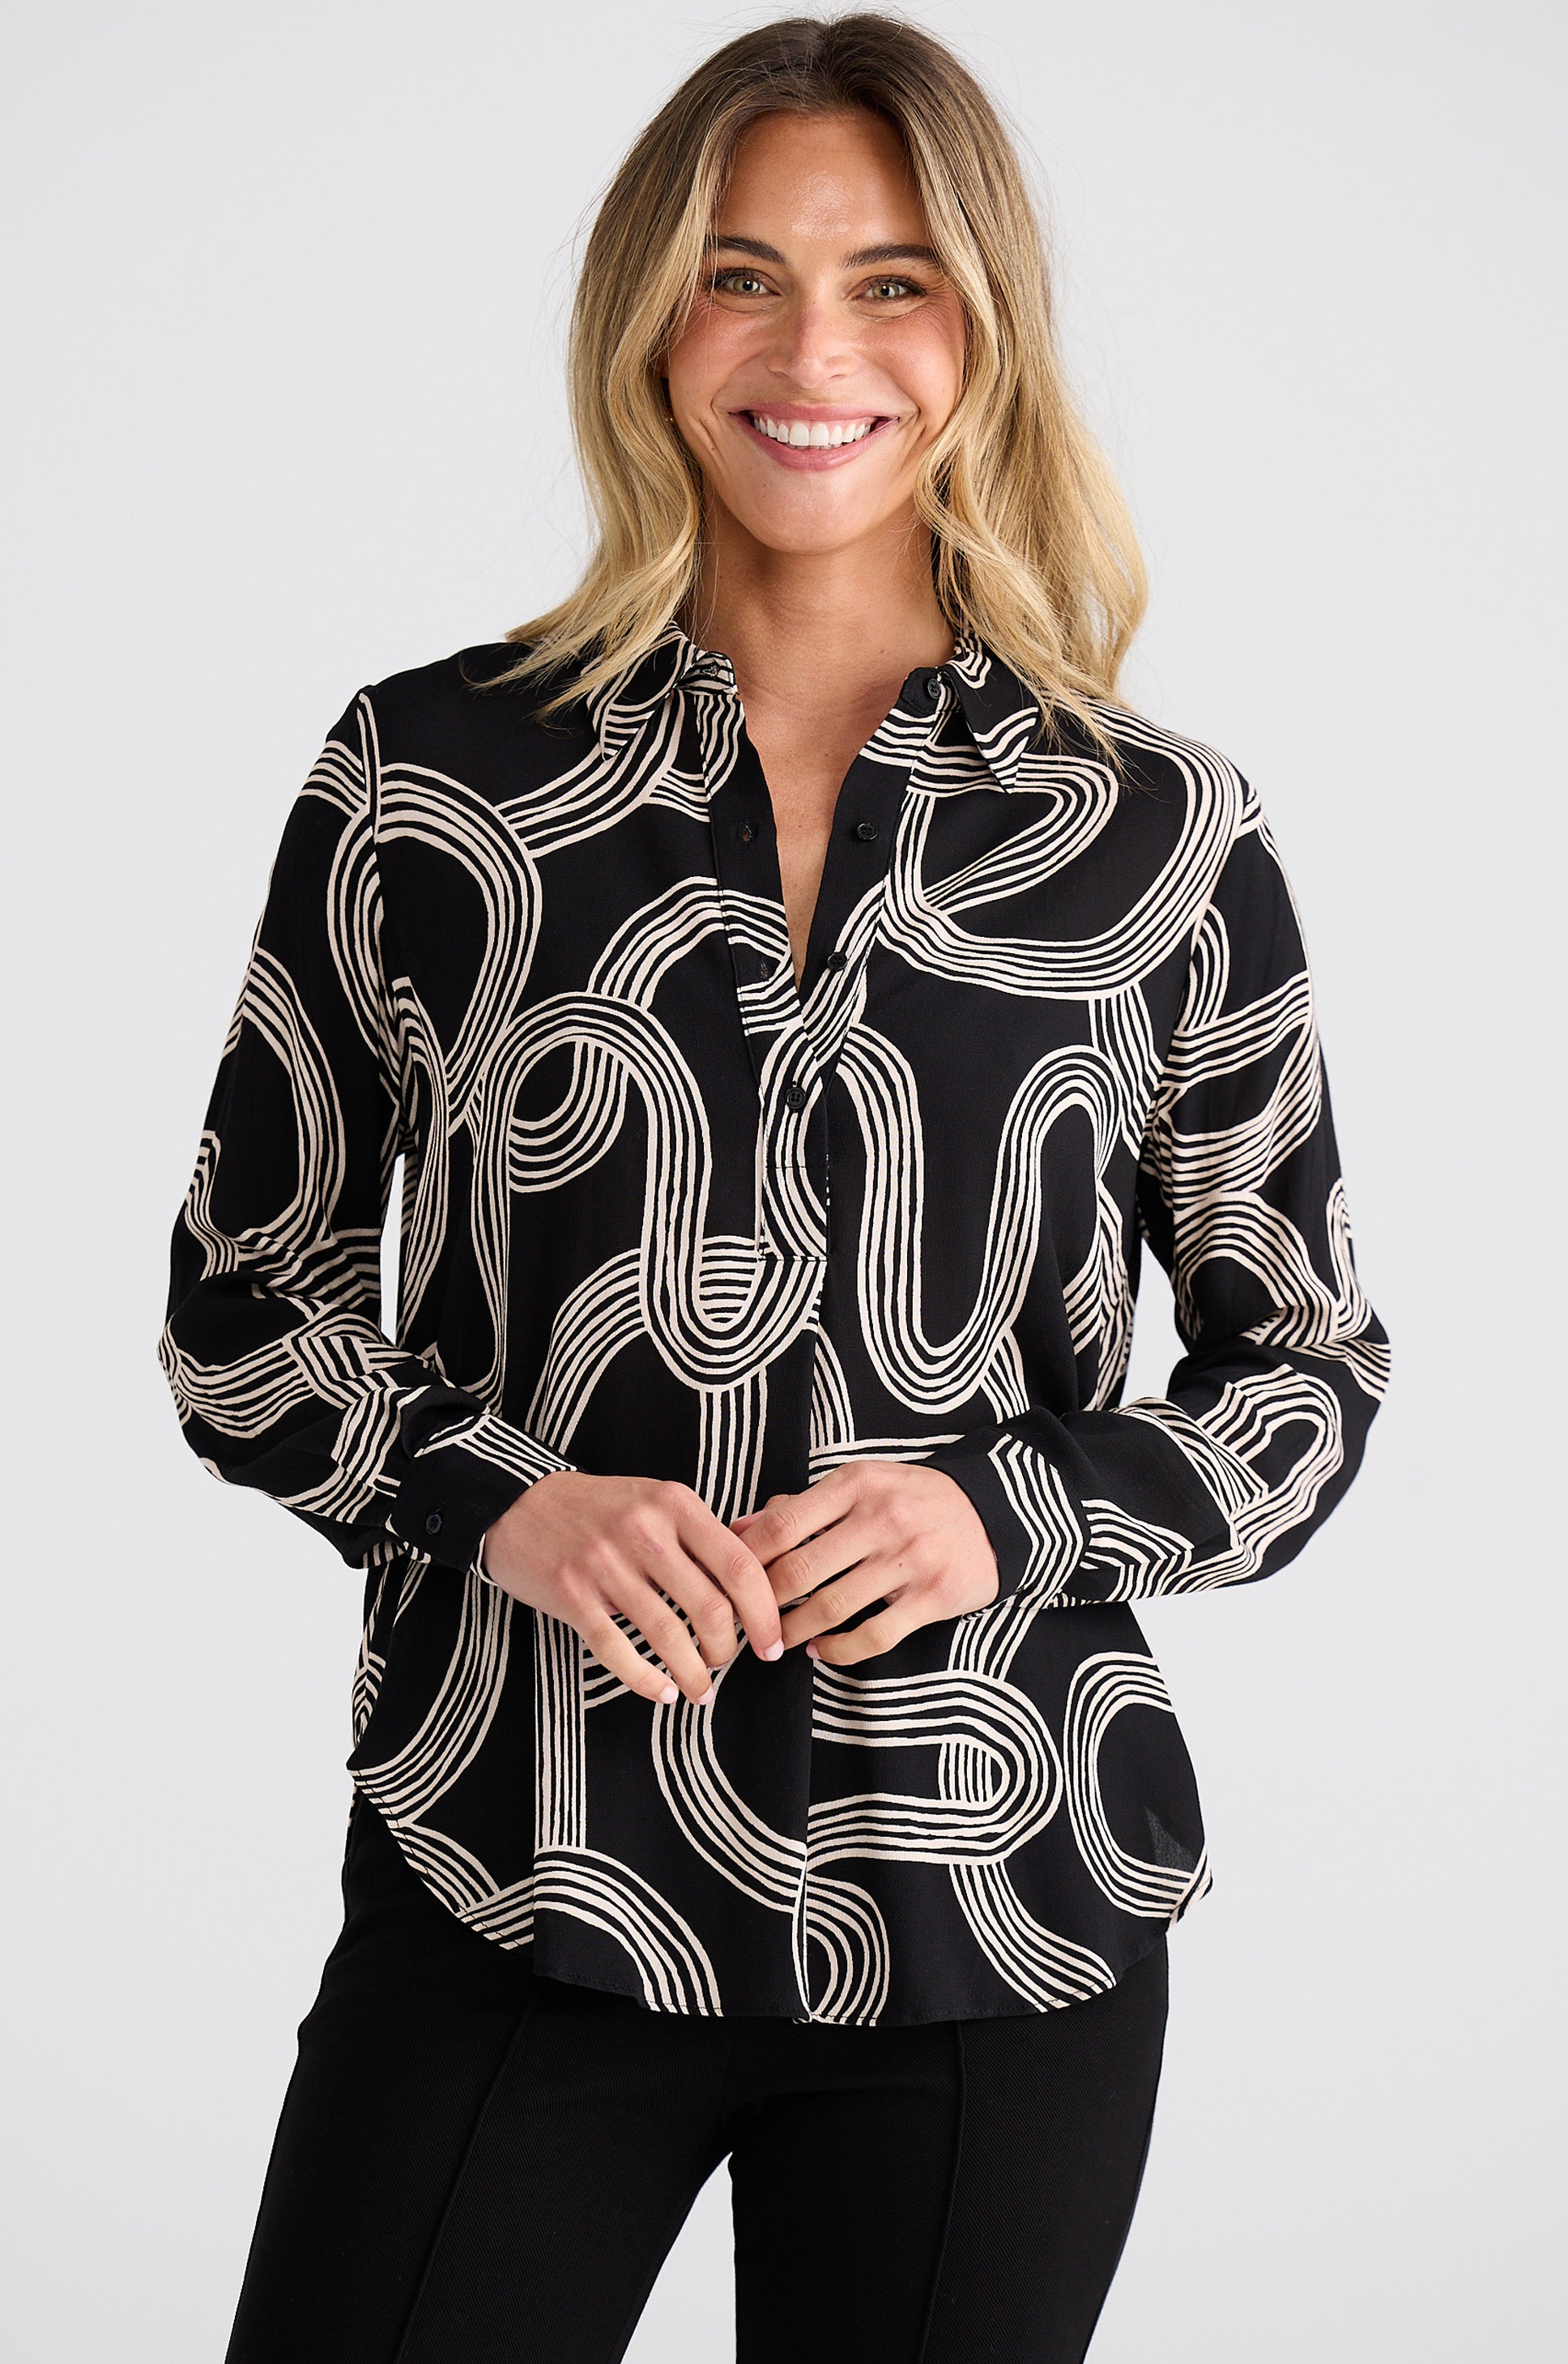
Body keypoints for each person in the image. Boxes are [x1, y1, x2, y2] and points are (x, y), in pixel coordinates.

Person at [159, 15, 1390, 2361]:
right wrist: (503, 1495)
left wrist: (1002, 1515)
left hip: (1000, 1906)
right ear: (648, 315)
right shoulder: (433, 776)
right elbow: (243, 1303)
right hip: (516, 1863)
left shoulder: (1158, 830)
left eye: (891, 281)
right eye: (742, 275)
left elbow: (1303, 1369)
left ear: (981, 329)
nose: (812, 351)